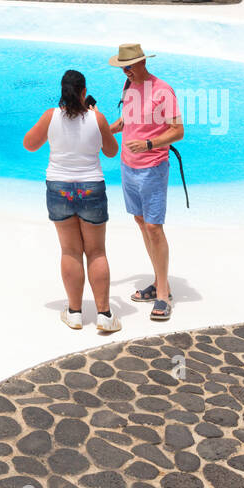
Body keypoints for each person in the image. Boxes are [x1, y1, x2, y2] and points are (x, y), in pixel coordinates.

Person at [24, 70, 121, 333]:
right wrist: (100, 122)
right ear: (83, 91)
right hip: (91, 188)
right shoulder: (96, 118)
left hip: (59, 188)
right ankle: (104, 314)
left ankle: (75, 312)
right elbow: (112, 152)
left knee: (70, 251)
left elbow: (29, 144)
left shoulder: (50, 116)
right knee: (97, 252)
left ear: (62, 91)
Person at [106, 43, 184, 321]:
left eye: (128, 66)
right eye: (122, 68)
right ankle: (159, 281)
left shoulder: (163, 90)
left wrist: (150, 143)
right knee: (141, 222)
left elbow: (178, 131)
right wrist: (101, 128)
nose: (125, 71)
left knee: (153, 226)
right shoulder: (129, 88)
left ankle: (163, 294)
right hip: (128, 166)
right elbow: (126, 122)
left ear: (142, 63)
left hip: (152, 167)